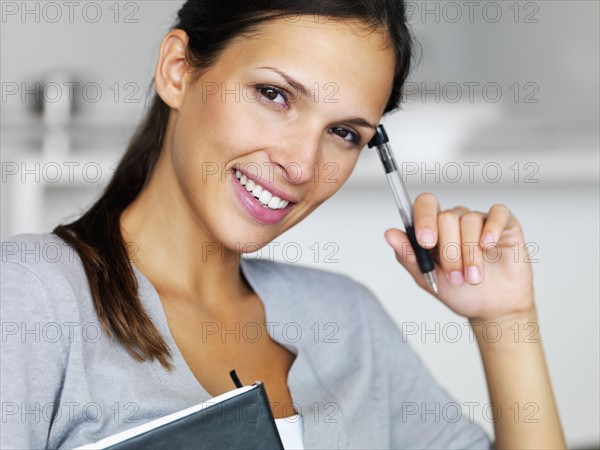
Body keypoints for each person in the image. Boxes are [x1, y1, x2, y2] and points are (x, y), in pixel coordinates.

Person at [1, 1, 566, 449]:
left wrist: (505, 320)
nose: (301, 164)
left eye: (345, 133)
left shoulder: (348, 323)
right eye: (274, 95)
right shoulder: (33, 297)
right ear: (178, 71)